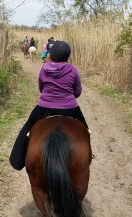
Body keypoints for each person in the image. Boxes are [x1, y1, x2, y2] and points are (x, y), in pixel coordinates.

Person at [10, 41, 89, 170]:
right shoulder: (73, 70)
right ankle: (89, 156)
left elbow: (41, 88)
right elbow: (78, 92)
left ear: (51, 54)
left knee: (25, 131)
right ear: (67, 56)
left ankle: (17, 160)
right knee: (85, 132)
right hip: (70, 108)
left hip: (44, 107)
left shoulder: (44, 68)